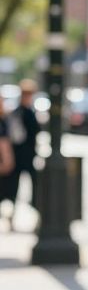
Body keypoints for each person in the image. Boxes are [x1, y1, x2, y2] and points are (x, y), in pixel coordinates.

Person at [2, 79, 41, 230]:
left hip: (19, 156)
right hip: (25, 156)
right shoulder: (26, 113)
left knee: (14, 188)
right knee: (28, 188)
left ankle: (12, 217)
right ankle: (15, 216)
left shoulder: (15, 112)